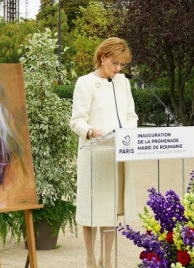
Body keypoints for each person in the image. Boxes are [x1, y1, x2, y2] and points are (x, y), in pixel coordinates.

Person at [70, 38, 138, 268]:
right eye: (114, 63)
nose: (118, 69)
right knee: (91, 210)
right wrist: (91, 131)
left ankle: (106, 261)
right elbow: (77, 121)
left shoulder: (123, 83)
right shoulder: (85, 82)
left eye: (121, 65)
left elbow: (131, 116)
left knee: (110, 210)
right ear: (102, 57)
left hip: (117, 153)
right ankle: (90, 260)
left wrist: (128, 133)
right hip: (94, 154)